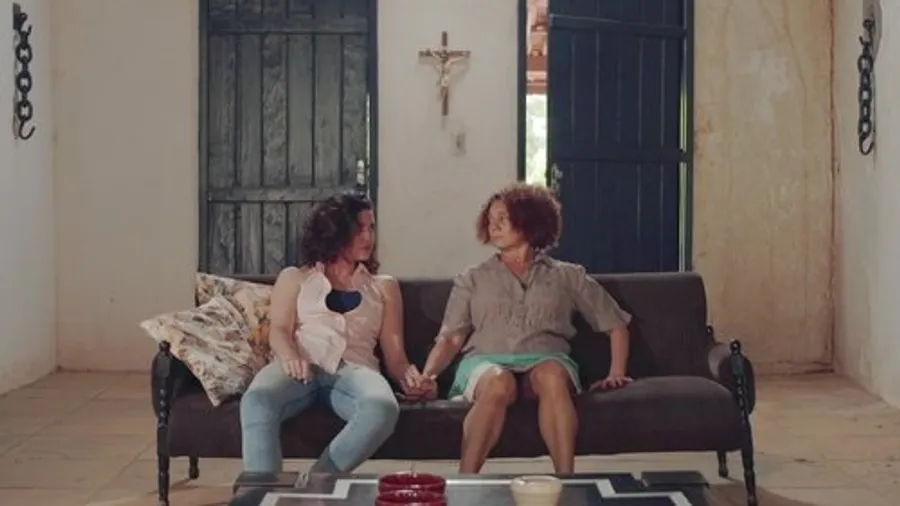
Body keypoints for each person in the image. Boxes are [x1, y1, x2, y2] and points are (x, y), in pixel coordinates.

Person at [413, 183, 633, 475]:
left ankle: (565, 480)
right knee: (498, 382)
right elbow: (452, 337)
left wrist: (616, 373)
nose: (494, 226)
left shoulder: (567, 275)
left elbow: (616, 324)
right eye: (490, 220)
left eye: (503, 218)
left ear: (529, 220)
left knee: (551, 376)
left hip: (547, 359)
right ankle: (465, 483)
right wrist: (427, 376)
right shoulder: (473, 277)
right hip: (484, 362)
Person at [240, 192, 429, 475]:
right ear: (335, 231)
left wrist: (412, 379)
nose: (368, 237)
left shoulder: (383, 287)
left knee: (382, 408)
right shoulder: (295, 277)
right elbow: (278, 330)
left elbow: (395, 357)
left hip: (355, 371)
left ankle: (318, 484)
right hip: (300, 367)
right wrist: (290, 357)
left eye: (371, 228)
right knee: (257, 400)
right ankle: (259, 494)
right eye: (359, 229)